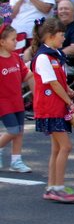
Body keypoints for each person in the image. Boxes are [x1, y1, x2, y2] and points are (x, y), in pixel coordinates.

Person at [31, 17, 74, 203]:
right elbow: (52, 83)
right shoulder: (44, 57)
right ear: (50, 36)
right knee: (66, 146)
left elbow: (59, 82)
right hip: (50, 108)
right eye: (61, 35)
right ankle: (57, 188)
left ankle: (52, 186)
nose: (64, 38)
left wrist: (68, 90)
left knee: (57, 147)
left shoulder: (54, 55)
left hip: (55, 106)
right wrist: (69, 102)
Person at [0, 22, 34, 173]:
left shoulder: (16, 58)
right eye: (13, 39)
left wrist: (36, 69)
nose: (16, 42)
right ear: (2, 42)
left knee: (19, 131)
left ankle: (16, 161)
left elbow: (25, 75)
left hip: (16, 100)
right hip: (3, 101)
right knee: (13, 130)